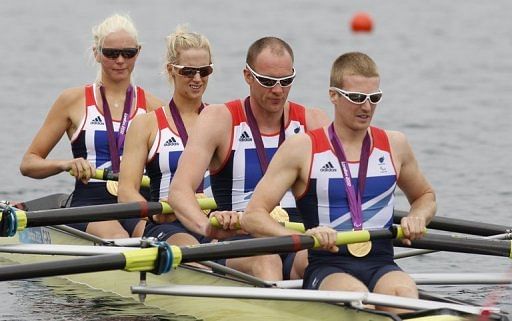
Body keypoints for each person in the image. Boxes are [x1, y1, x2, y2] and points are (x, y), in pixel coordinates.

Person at [241, 52, 436, 313]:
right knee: (356, 298)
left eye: (374, 98)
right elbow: (253, 215)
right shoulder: (303, 148)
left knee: (405, 297)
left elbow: (425, 196)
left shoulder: (395, 144)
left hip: (381, 262)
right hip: (327, 265)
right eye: (356, 98)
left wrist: (418, 217)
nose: (366, 107)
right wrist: (301, 237)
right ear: (333, 95)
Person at [167, 36, 331, 280]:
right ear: (247, 76)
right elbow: (179, 191)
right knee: (266, 261)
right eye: (267, 81)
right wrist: (207, 227)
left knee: (325, 260)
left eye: (286, 81)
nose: (277, 90)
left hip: (296, 239)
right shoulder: (219, 119)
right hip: (239, 241)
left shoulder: (314, 122)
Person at [19, 14, 163, 238]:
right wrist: (66, 164)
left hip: (137, 200)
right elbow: (29, 163)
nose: (120, 60)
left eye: (128, 53)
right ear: (96, 53)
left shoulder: (155, 107)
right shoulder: (73, 101)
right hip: (91, 201)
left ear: (139, 52)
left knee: (152, 238)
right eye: (111, 53)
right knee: (119, 239)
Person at [118, 25, 213, 244]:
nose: (198, 78)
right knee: (192, 249)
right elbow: (125, 192)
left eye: (204, 71)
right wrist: (154, 212)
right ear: (171, 69)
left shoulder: (222, 120)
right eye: (188, 71)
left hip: (212, 221)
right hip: (168, 224)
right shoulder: (146, 125)